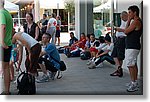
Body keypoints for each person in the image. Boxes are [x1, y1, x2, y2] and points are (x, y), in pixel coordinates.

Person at [124, 5, 142, 92]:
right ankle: (134, 82)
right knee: (133, 64)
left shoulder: (136, 22)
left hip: (132, 46)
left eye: (130, 12)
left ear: (135, 12)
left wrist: (128, 20)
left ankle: (133, 83)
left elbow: (126, 31)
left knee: (130, 65)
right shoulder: (134, 21)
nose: (128, 14)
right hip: (132, 46)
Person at [0, 0, 13, 95]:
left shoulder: (1, 13)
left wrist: (2, 41)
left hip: (3, 45)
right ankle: (6, 90)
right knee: (6, 68)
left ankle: (6, 91)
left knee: (5, 68)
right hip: (8, 44)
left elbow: (2, 27)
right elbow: (12, 29)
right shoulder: (7, 13)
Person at [110, 11, 128, 77]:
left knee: (120, 56)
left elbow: (126, 30)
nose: (122, 18)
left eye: (123, 17)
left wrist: (119, 29)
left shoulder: (128, 22)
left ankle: (119, 70)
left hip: (122, 39)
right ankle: (119, 68)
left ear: (126, 15)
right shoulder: (123, 21)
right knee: (114, 55)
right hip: (118, 39)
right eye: (121, 17)